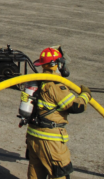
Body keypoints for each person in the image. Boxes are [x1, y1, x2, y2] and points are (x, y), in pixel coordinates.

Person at [25, 47, 91, 179]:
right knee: (60, 173)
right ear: (57, 64)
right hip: (50, 140)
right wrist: (86, 95)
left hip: (33, 136)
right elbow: (76, 106)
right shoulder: (55, 86)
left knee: (36, 170)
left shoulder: (38, 80)